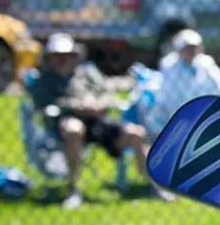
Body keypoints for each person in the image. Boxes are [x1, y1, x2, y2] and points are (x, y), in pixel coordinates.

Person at [29, 32, 168, 209]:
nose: (63, 60)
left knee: (136, 133)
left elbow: (107, 95)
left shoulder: (87, 73)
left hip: (98, 121)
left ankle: (154, 186)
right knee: (74, 129)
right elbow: (44, 104)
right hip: (67, 121)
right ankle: (73, 189)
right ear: (49, 58)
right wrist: (76, 105)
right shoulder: (43, 80)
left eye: (67, 55)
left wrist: (96, 104)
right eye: (58, 56)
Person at [143, 29, 220, 140]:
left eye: (194, 47)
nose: (192, 51)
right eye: (188, 48)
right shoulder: (170, 67)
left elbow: (219, 89)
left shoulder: (207, 65)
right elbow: (168, 97)